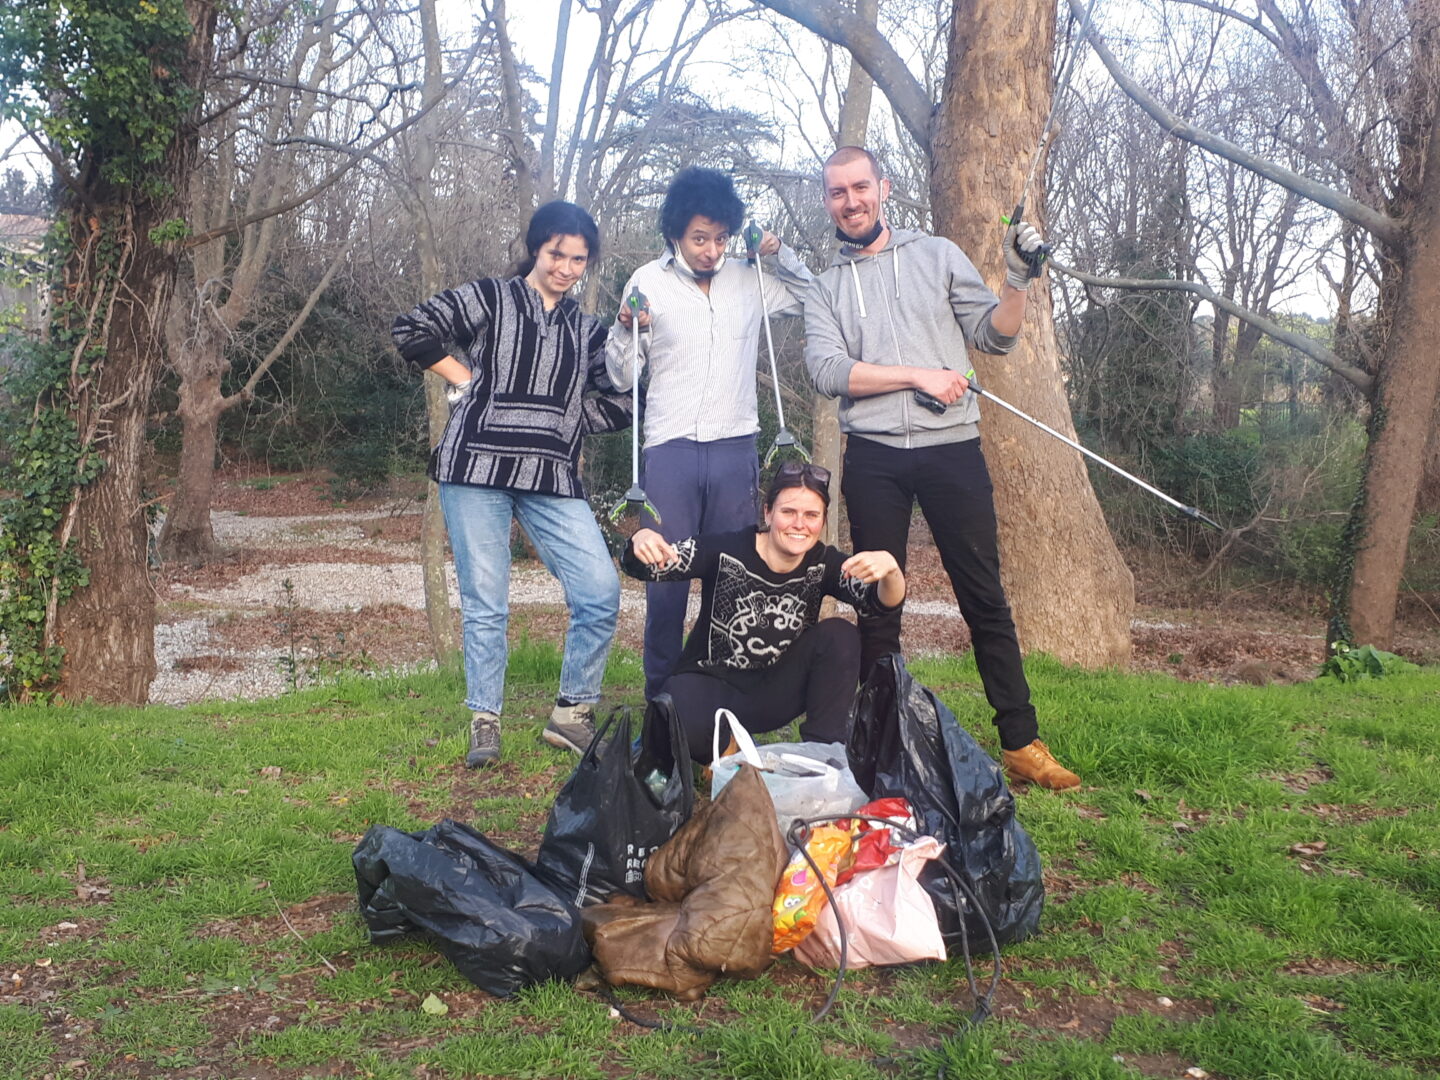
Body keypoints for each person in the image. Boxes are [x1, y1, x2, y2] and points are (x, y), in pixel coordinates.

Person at [802, 145, 1081, 792]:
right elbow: (827, 372)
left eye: (860, 187)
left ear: (883, 188)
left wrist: (1016, 280)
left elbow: (995, 336)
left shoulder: (937, 255)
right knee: (876, 603)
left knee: (984, 597)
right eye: (838, 192)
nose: (851, 201)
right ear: (828, 202)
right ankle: (880, 743)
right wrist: (918, 373)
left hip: (951, 450)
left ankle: (1021, 742)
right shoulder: (825, 288)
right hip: (872, 458)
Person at [391, 201, 631, 769]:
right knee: (486, 603)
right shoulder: (491, 299)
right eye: (557, 254)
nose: (567, 268)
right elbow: (412, 329)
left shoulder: (589, 330)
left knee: (600, 590)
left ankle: (571, 715)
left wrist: (572, 420)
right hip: (474, 468)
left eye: (578, 259)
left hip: (551, 475)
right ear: (536, 248)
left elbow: (627, 397)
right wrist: (466, 380)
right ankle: (485, 719)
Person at [606, 166, 813, 699]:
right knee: (666, 583)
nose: (711, 249)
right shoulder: (646, 282)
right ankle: (662, 703)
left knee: (733, 580)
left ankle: (725, 697)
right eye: (700, 237)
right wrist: (627, 328)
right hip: (669, 449)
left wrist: (777, 252)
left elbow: (814, 299)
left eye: (720, 237)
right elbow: (618, 374)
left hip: (734, 447)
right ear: (675, 232)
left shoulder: (750, 276)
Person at [621, 461, 904, 764]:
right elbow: (650, 565)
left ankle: (823, 756)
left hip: (775, 690)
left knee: (841, 635)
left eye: (811, 515)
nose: (799, 524)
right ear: (768, 512)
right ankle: (731, 748)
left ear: (822, 521)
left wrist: (891, 569)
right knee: (677, 720)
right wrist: (640, 541)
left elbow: (881, 604)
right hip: (711, 683)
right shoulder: (726, 548)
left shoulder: (825, 563)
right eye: (788, 512)